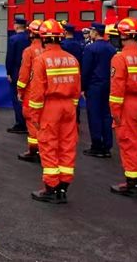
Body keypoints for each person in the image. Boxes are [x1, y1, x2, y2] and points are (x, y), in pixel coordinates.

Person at [27, 19, 81, 204]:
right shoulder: (72, 59)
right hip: (69, 107)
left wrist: (34, 117)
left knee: (49, 145)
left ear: (43, 38)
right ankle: (63, 186)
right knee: (67, 145)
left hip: (50, 107)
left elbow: (37, 92)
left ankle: (51, 187)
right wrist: (72, 108)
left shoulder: (41, 60)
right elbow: (77, 89)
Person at [108, 19, 137, 198]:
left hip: (129, 105)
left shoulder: (120, 58)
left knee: (129, 143)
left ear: (122, 36)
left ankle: (132, 182)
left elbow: (117, 88)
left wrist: (115, 112)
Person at [81, 22, 116, 158]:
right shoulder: (111, 48)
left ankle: (97, 145)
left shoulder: (90, 49)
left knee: (94, 115)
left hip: (94, 86)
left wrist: (83, 87)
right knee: (106, 115)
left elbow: (86, 70)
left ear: (95, 32)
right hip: (108, 85)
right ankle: (107, 145)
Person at [16, 20, 44, 162]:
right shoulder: (49, 51)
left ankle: (34, 150)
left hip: (32, 91)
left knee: (32, 119)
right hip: (47, 92)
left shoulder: (29, 51)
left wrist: (20, 90)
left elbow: (24, 74)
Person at [5, 17, 30, 134]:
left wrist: (8, 72)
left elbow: (10, 57)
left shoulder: (13, 39)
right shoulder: (29, 38)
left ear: (16, 26)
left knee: (17, 97)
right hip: (30, 71)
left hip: (17, 71)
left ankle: (21, 123)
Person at [61, 23, 84, 125]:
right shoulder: (79, 44)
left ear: (65, 32)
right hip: (76, 74)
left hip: (64, 75)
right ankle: (76, 120)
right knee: (75, 99)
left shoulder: (63, 45)